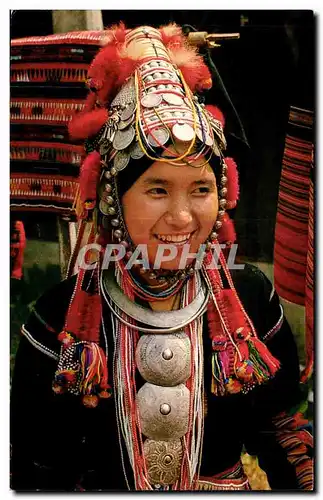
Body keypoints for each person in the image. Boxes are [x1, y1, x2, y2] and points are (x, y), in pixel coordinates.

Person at [10, 23, 313, 491]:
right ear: (112, 197)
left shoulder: (251, 300)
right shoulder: (58, 323)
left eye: (200, 189)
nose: (182, 217)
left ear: (223, 193)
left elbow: (285, 434)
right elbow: (36, 470)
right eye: (156, 189)